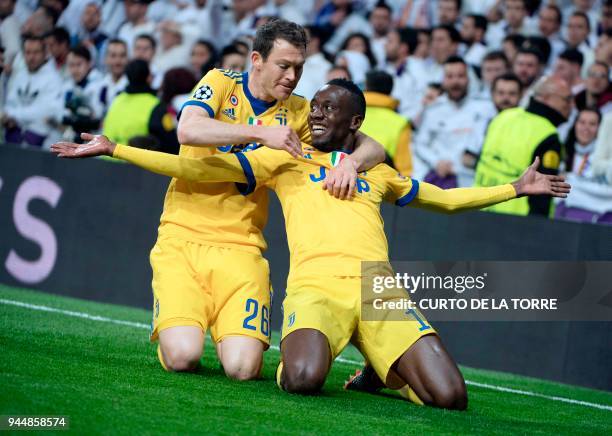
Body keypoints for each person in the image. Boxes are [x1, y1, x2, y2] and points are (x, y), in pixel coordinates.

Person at [51, 79, 570, 410]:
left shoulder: (378, 171)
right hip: (315, 288)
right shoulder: (286, 162)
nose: (315, 116)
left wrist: (514, 189)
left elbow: (447, 200)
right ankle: (360, 359)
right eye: (314, 107)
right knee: (300, 380)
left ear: (354, 124)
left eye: (329, 110)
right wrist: (117, 149)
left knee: (451, 398)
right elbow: (196, 166)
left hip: (378, 290)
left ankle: (380, 370)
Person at [103, 19, 387, 380]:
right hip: (182, 237)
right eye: (284, 66)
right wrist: (260, 133)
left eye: (299, 67)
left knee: (242, 368)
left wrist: (350, 163)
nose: (292, 76)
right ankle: (178, 333)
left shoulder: (299, 111)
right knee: (183, 357)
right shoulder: (221, 82)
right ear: (257, 59)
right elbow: (188, 128)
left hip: (242, 247)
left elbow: (371, 145)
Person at [475, 76, 572, 216]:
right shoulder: (548, 135)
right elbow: (542, 192)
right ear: (546, 97)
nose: (571, 105)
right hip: (517, 223)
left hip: (478, 211)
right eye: (567, 99)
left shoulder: (504, 116)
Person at [412, 56, 496, 188]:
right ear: (443, 80)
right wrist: (436, 162)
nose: (455, 81)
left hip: (472, 180)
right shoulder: (433, 109)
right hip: (439, 178)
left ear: (468, 79)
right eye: (450, 76)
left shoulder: (485, 108)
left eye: (460, 76)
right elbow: (420, 144)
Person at [360, 70, 412, 175]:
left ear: (366, 87)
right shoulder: (401, 123)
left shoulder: (350, 114)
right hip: (383, 185)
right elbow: (405, 170)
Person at [102, 59, 159, 145]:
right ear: (148, 77)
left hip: (104, 155)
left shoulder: (117, 99)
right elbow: (168, 142)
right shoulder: (155, 104)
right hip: (130, 157)